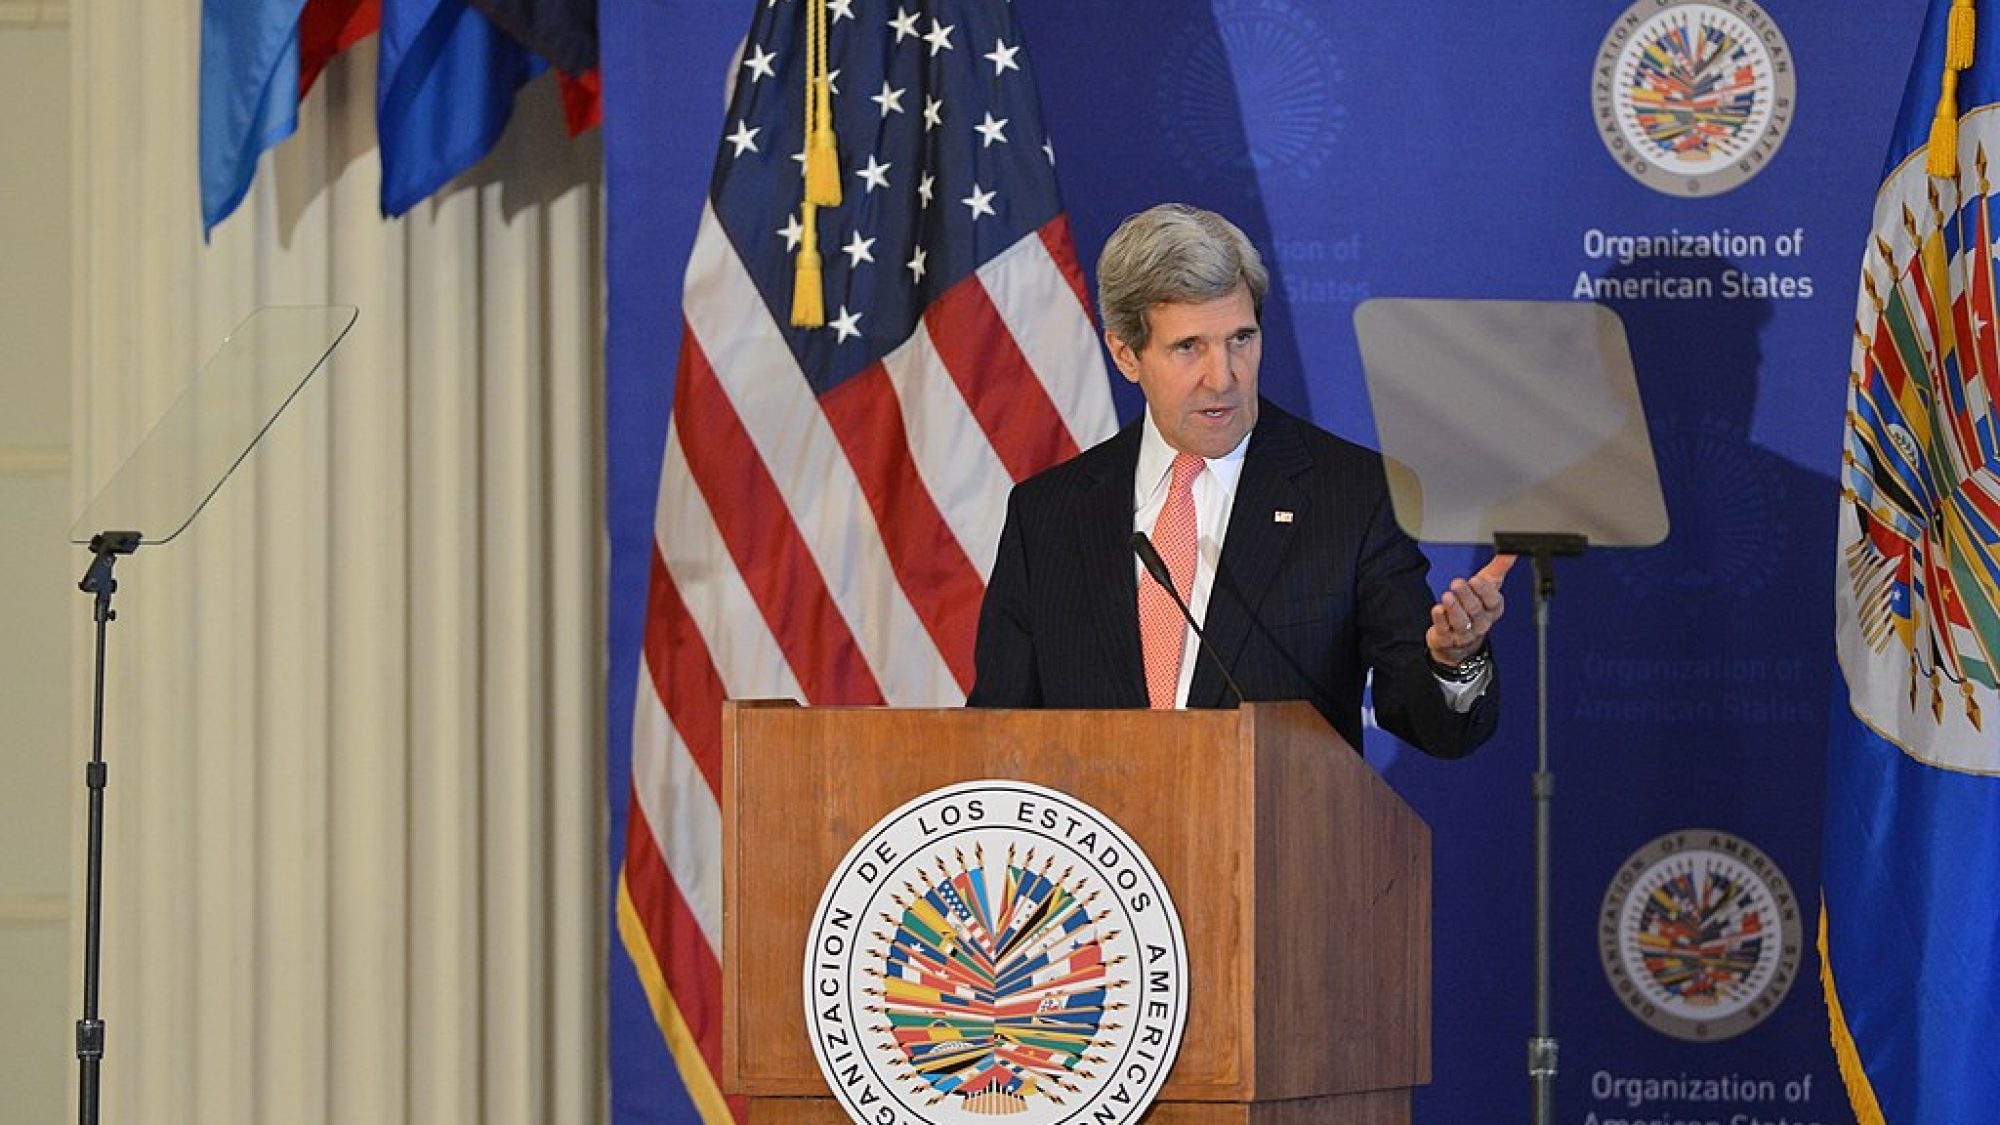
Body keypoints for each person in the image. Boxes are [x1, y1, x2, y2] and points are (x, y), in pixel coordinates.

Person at [968, 203, 1511, 758]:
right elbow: (997, 730)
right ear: (1126, 354)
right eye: (1189, 347)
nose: (1222, 377)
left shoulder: (1351, 494)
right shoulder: (1049, 514)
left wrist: (1452, 660)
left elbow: (1434, 726)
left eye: (1240, 340)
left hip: (1272, 836)